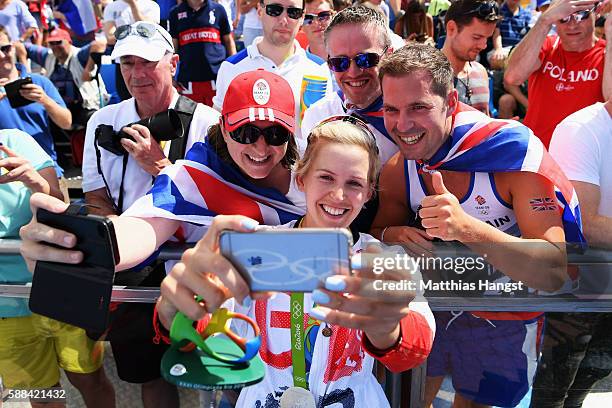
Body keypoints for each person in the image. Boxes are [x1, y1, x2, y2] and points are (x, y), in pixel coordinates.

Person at [154, 115, 435, 406]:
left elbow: (416, 348)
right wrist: (175, 310)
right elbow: (201, 332)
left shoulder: (383, 259)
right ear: (301, 179)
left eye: (354, 184)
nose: (339, 195)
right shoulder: (258, 247)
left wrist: (387, 329)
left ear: (368, 194)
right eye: (326, 177)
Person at [370, 43, 583, 408]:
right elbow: (374, 238)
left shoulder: (512, 155)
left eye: (418, 108)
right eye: (391, 109)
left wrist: (466, 228)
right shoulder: (400, 167)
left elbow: (552, 270)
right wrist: (391, 235)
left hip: (503, 314)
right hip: (435, 309)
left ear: (451, 103)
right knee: (405, 399)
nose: (402, 125)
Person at [79, 21, 220, 408]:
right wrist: (117, 235)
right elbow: (94, 194)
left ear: (173, 63)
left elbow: (214, 204)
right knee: (149, 374)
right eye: (127, 63)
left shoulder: (207, 122)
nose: (137, 74)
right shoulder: (102, 121)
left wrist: (158, 167)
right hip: (134, 266)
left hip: (192, 265)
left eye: (147, 63)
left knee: (217, 372)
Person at [0, 129, 114, 408]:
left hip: (60, 289)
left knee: (90, 379)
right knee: (43, 394)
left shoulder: (15, 141)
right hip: (5, 309)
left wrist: (35, 183)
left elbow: (60, 206)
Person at [530, 98, 612, 407]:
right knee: (556, 385)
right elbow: (586, 224)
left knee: (593, 373)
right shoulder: (582, 130)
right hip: (577, 284)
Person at [212, 0, 333, 141]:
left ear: (302, 17)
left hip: (303, 162)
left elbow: (324, 130)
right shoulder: (232, 68)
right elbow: (218, 128)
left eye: (293, 12)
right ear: (260, 11)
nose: (283, 20)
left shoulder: (318, 69)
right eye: (275, 10)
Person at [504, 0, 611, 148]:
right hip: (538, 157)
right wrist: (544, 21)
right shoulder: (547, 46)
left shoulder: (607, 53)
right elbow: (513, 76)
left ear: (596, 12)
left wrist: (610, 31)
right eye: (563, 17)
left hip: (584, 160)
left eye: (581, 15)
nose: (572, 25)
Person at [301, 5, 399, 165]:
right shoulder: (318, 117)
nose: (353, 72)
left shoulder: (410, 117)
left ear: (389, 55)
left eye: (365, 59)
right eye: (340, 62)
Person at [0, 28, 72, 196]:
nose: (3, 55)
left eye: (5, 48)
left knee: (60, 222)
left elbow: (67, 122)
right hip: (8, 181)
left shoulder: (39, 82)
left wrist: (45, 100)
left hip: (47, 171)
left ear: (14, 47)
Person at [24, 27, 108, 129]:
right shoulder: (48, 56)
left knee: (95, 122)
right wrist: (26, 70)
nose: (55, 46)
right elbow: (20, 46)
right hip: (59, 108)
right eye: (52, 43)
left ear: (69, 42)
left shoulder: (79, 55)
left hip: (84, 107)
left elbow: (100, 44)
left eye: (59, 42)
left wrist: (88, 69)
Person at [169, 0, 236, 106]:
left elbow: (228, 41)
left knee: (218, 119)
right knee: (191, 120)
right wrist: (170, 77)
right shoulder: (175, 12)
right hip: (188, 82)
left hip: (216, 79)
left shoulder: (218, 9)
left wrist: (234, 69)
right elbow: (173, 47)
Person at [441, 0, 502, 115]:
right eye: (477, 37)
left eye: (487, 38)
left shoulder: (480, 72)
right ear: (452, 29)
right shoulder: (427, 75)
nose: (483, 46)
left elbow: (484, 121)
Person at [103, 0, 160, 101]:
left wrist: (133, 5)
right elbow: (110, 38)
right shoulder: (110, 8)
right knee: (127, 100)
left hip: (148, 60)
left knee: (150, 98)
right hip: (124, 62)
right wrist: (137, 32)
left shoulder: (151, 5)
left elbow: (150, 31)